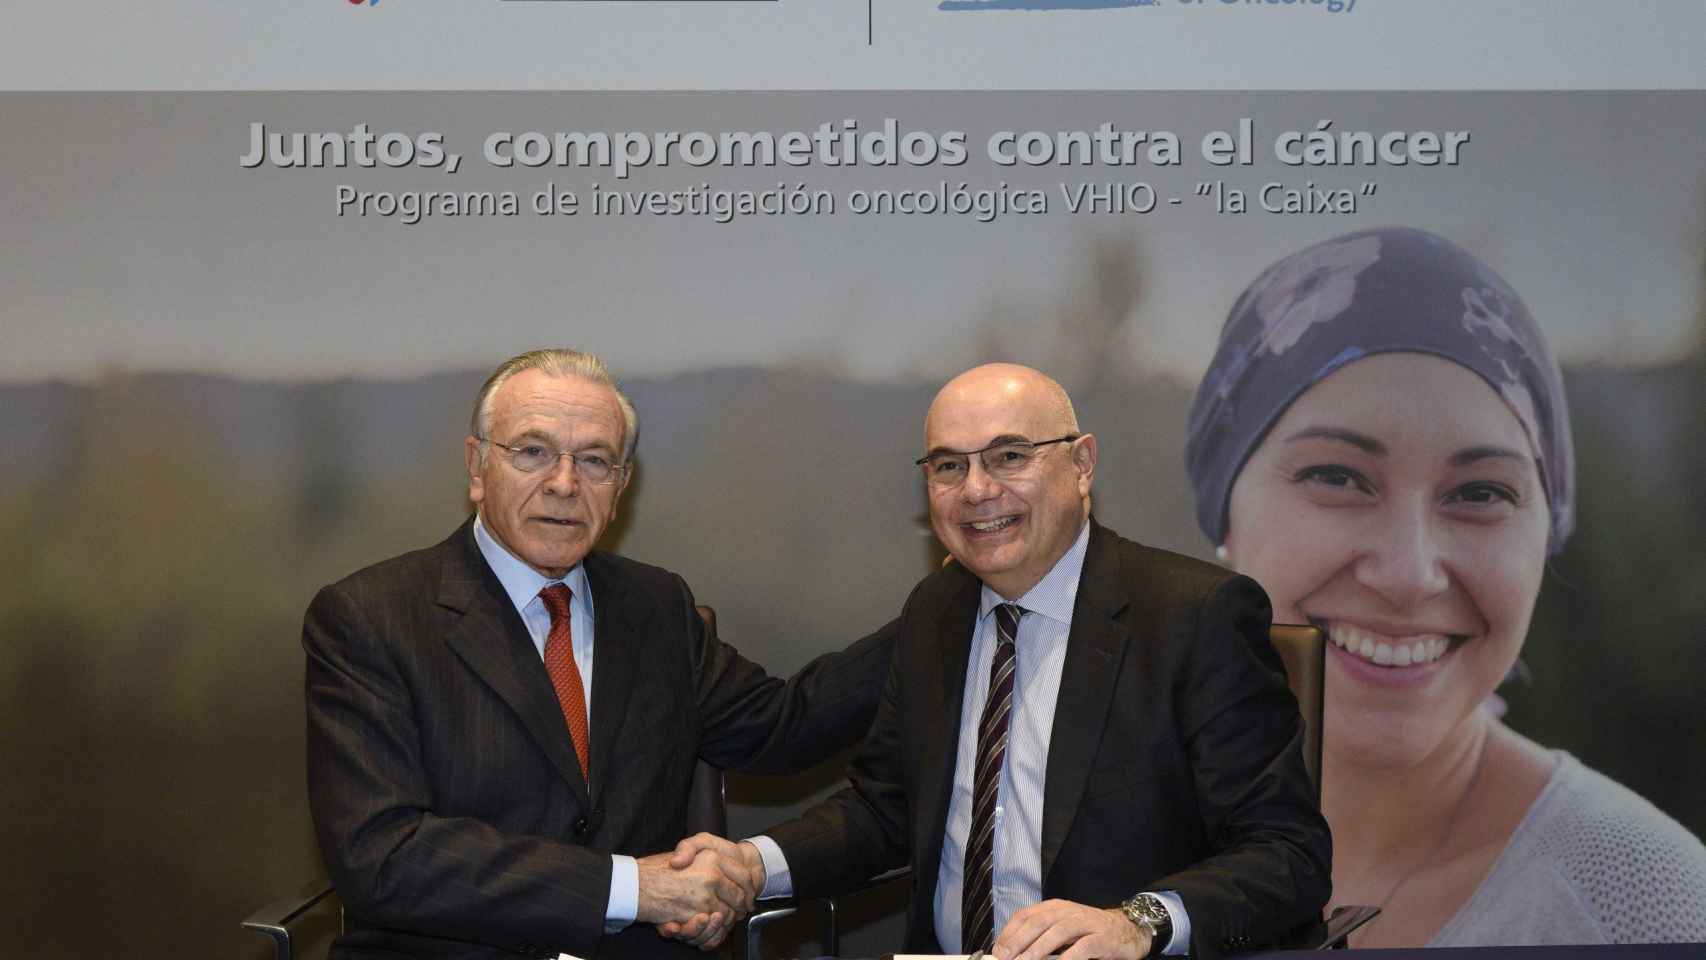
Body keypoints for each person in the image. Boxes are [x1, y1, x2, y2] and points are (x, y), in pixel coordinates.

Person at [668, 363, 1332, 960]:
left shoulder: (1194, 616)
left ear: (1081, 465)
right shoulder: (938, 611)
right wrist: (753, 866)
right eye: (949, 466)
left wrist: (1137, 923)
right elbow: (884, 810)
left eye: (1009, 456)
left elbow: (1287, 854)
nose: (978, 490)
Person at [1184, 226, 1706, 946]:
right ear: (1225, 511)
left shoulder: (1647, 911)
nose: (1408, 574)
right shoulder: (1073, 846)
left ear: (1545, 533)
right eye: (1337, 477)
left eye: (1481, 492)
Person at [304, 348, 896, 960]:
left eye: (594, 460)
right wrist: (634, 888)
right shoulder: (370, 618)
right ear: (477, 467)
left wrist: (943, 609)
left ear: (621, 486)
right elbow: (382, 855)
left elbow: (783, 727)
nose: (564, 483)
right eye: (532, 452)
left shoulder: (657, 604)